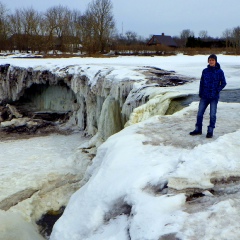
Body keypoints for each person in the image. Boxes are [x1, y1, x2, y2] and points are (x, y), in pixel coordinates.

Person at [189, 54, 227, 138]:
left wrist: (217, 90)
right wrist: (200, 93)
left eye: (213, 60)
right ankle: (198, 129)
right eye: (210, 60)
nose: (211, 61)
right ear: (208, 61)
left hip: (214, 97)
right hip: (204, 96)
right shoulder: (205, 71)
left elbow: (223, 83)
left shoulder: (220, 72)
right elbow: (202, 83)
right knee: (199, 114)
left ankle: (210, 131)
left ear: (215, 61)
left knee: (212, 114)